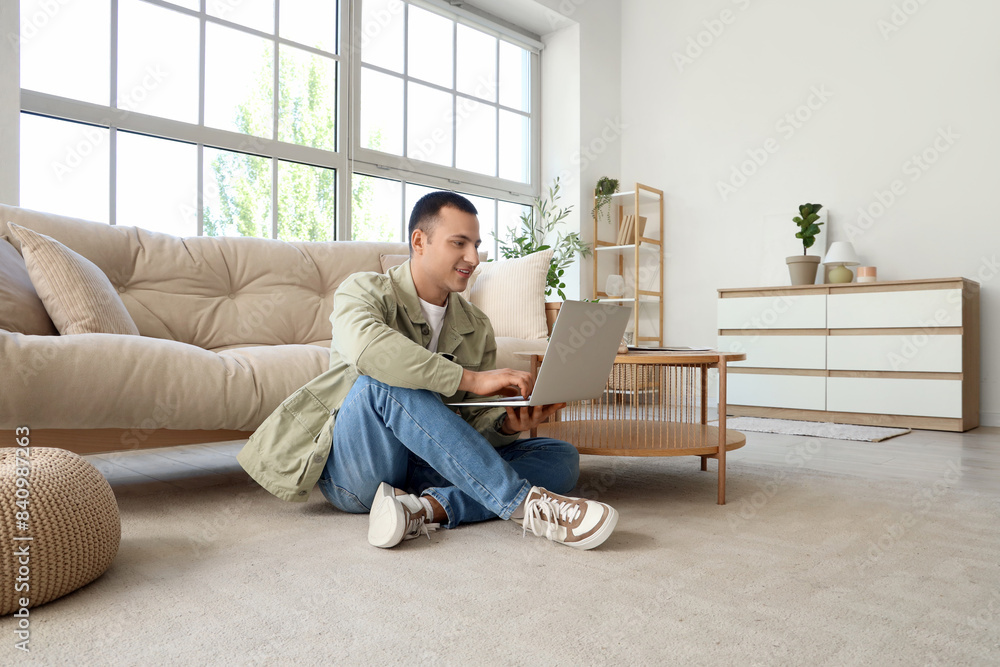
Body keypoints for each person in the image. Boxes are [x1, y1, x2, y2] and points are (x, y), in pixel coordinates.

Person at [238, 191, 619, 550]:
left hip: (428, 470)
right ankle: (525, 506)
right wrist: (470, 378)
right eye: (459, 243)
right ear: (419, 241)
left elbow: (471, 423)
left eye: (476, 244)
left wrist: (507, 425)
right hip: (359, 473)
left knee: (560, 456)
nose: (474, 257)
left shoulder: (476, 325)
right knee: (384, 383)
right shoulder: (364, 291)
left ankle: (423, 510)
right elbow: (370, 350)